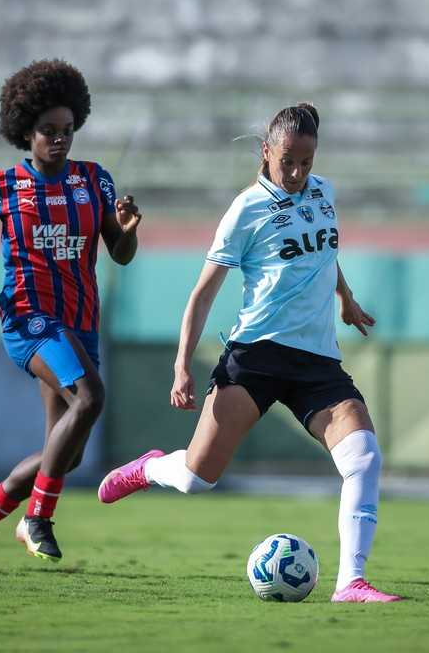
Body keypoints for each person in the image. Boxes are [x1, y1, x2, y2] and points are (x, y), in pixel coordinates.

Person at [97, 103, 401, 603]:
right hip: (256, 358)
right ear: (266, 152)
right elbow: (202, 294)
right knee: (197, 478)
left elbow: (323, 252)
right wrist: (181, 366)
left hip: (317, 362)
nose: (299, 173)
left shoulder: (324, 193)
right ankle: (149, 468)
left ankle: (351, 581)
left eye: (307, 161)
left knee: (364, 458)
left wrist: (344, 297)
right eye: (288, 162)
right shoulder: (245, 210)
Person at [0, 59, 143, 570]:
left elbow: (119, 253)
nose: (59, 140)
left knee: (68, 452)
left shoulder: (94, 181)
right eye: (48, 131)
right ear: (25, 132)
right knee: (91, 397)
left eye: (67, 131)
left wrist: (128, 228)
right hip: (29, 319)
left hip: (79, 325)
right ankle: (37, 518)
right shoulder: (5, 186)